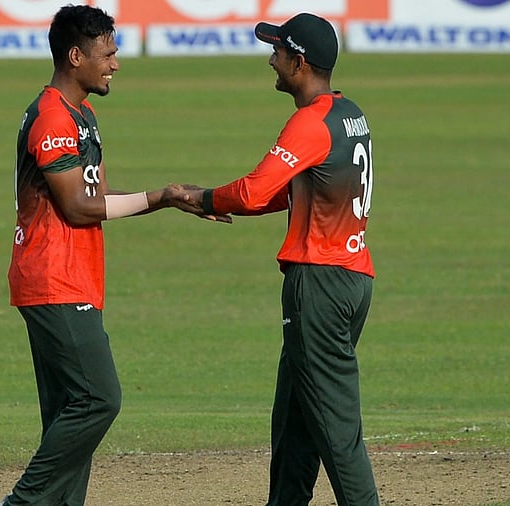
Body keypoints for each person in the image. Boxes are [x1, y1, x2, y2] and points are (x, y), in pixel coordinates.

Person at [2, 5, 223, 505]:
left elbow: (95, 197)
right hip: (53, 279)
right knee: (98, 399)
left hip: (74, 276)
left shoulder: (83, 114)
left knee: (69, 415)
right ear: (75, 56)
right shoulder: (53, 117)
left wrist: (166, 200)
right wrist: (160, 197)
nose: (115, 64)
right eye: (107, 54)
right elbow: (77, 207)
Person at [183, 12, 379, 505]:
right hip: (350, 278)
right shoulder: (349, 114)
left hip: (320, 283)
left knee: (336, 430)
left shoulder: (310, 123)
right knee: (294, 418)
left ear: (300, 62)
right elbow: (295, 191)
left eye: (278, 51)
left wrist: (202, 198)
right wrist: (222, 202)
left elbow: (254, 190)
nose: (271, 60)